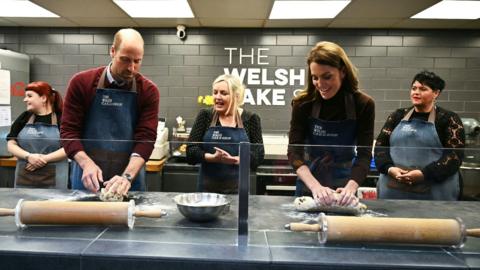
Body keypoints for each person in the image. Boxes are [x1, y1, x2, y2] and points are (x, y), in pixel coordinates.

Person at [61, 28, 159, 196]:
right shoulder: (82, 83)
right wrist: (86, 164)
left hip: (128, 177)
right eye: (125, 60)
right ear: (112, 51)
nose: (131, 68)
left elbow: (146, 138)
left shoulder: (148, 91)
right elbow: (68, 132)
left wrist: (127, 177)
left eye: (137, 61)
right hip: (88, 176)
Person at [288, 41, 375, 206]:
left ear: (342, 71)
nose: (320, 84)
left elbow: (364, 155)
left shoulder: (363, 104)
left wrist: (350, 188)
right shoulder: (303, 104)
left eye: (327, 76)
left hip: (345, 181)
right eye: (315, 78)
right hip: (310, 180)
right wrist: (316, 187)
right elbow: (294, 153)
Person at [375, 71, 465, 200]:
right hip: (394, 190)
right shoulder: (397, 116)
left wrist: (425, 174)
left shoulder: (448, 119)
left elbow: (455, 156)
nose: (416, 92)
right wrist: (389, 169)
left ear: (436, 93)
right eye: (414, 88)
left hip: (435, 193)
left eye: (423, 89)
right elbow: (380, 147)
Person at [186, 74, 264, 194]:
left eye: (223, 93)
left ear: (236, 96)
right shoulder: (205, 116)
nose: (217, 97)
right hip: (207, 192)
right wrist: (212, 158)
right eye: (215, 92)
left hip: (238, 191)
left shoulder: (251, 118)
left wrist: (237, 159)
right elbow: (190, 152)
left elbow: (258, 156)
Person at [7, 81, 68, 189]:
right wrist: (29, 156)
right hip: (25, 177)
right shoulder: (24, 117)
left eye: (29, 96)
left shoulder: (62, 119)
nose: (25, 100)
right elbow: (11, 144)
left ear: (43, 98)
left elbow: (69, 147)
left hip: (55, 179)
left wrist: (42, 159)